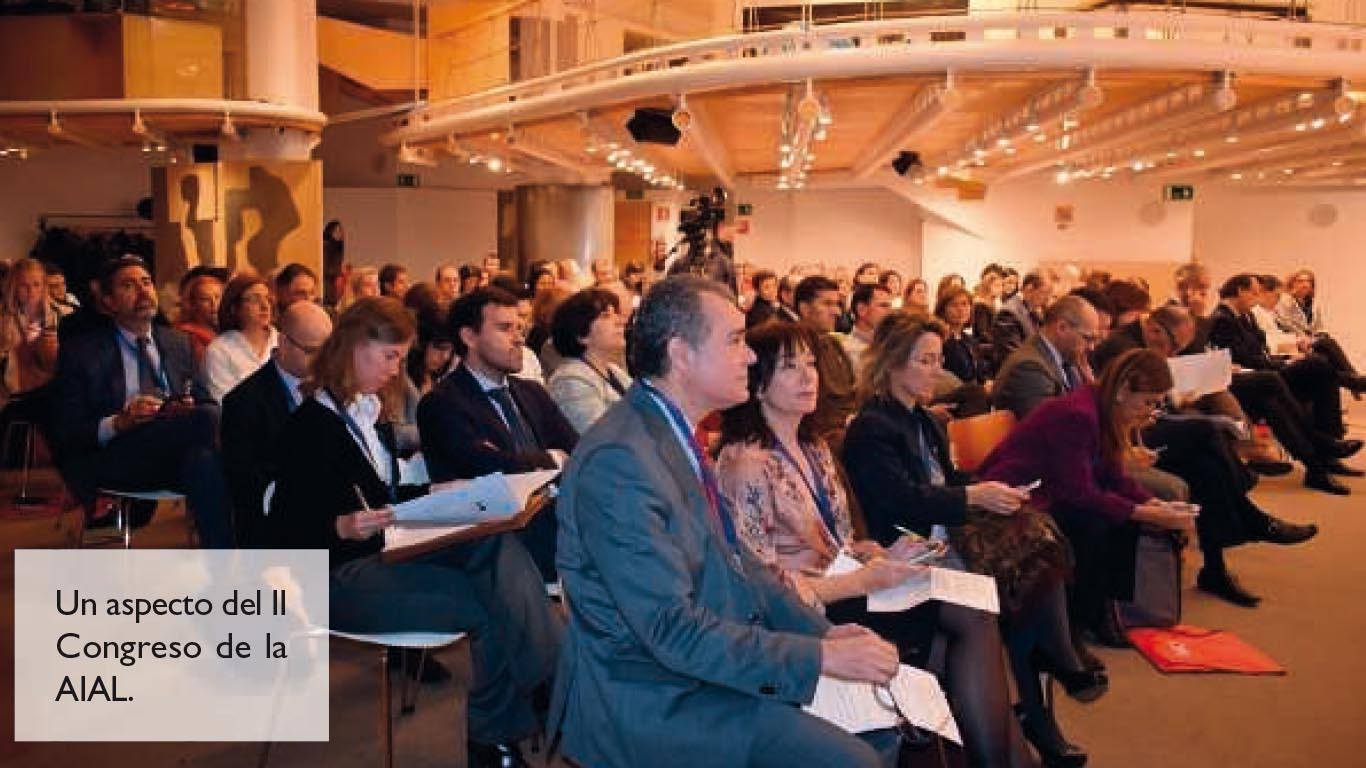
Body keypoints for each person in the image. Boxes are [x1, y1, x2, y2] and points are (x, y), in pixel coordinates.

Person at [550, 275, 902, 768]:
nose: (751, 357)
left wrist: (821, 636)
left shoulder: (671, 435)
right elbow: (670, 630)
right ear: (682, 354)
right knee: (857, 759)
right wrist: (817, 658)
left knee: (883, 729)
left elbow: (743, 566)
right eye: (735, 340)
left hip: (697, 666)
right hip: (656, 697)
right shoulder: (621, 461)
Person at [717, 320, 1036, 768]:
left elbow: (841, 541)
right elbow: (759, 588)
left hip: (849, 583)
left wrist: (878, 554)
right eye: (791, 368)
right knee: (967, 624)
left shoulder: (813, 446)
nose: (810, 377)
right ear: (758, 382)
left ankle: (997, 755)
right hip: (808, 612)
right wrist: (864, 576)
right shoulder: (747, 463)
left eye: (811, 364)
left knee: (972, 616)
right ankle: (1000, 756)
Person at [264, 297, 560, 768]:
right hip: (335, 576)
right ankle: (514, 720)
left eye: (401, 356)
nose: (397, 369)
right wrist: (339, 525)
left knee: (494, 540)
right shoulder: (309, 428)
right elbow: (280, 532)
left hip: (390, 552)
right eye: (390, 356)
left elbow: (380, 494)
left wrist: (436, 490)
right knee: (494, 603)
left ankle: (531, 704)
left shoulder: (367, 414)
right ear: (354, 349)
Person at [840, 312, 1090, 767]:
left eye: (938, 359)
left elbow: (948, 479)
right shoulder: (873, 428)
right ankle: (1044, 697)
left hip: (943, 542)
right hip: (907, 549)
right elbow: (900, 501)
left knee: (1039, 563)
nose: (937, 370)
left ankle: (1036, 708)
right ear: (894, 363)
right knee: (1010, 596)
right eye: (926, 360)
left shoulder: (925, 420)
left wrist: (992, 491)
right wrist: (975, 495)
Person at [1091, 306, 1317, 606]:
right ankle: (1252, 516)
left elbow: (1153, 401)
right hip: (1126, 432)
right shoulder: (1121, 348)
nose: (1172, 354)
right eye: (1172, 346)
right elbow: (1126, 408)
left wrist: (1179, 398)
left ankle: (1216, 569)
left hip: (1144, 422)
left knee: (1206, 465)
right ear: (1155, 330)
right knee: (1207, 432)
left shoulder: (1142, 344)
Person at [978, 350, 1202, 652]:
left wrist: (1156, 505)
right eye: (1148, 401)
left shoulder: (1101, 409)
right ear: (1123, 391)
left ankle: (1102, 610)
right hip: (1017, 496)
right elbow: (1078, 493)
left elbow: (1113, 477)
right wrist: (1146, 513)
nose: (1151, 412)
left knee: (1121, 515)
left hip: (1049, 490)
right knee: (1096, 521)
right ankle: (1087, 616)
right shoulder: (1078, 415)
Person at [49, 255, 232, 547]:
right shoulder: (82, 352)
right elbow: (67, 431)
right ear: (108, 302)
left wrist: (187, 408)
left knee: (204, 459)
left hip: (174, 452)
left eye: (146, 282)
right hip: (118, 455)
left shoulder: (177, 343)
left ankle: (226, 569)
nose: (143, 290)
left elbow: (206, 402)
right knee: (210, 423)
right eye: (128, 285)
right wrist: (119, 422)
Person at [416, 287, 578, 580]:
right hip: (498, 543)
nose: (518, 338)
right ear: (469, 337)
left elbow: (578, 453)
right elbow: (492, 470)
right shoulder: (443, 403)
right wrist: (552, 458)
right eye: (505, 328)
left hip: (559, 525)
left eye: (520, 328)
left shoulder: (532, 392)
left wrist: (535, 461)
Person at [1209, 274, 1363, 459]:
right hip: (1258, 374)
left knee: (1321, 368)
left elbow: (1260, 350)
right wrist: (1284, 361)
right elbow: (1246, 360)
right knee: (1318, 364)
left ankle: (1331, 441)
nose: (1257, 299)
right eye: (1254, 293)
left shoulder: (1244, 316)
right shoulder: (1223, 319)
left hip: (1266, 368)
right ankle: (1350, 386)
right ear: (1240, 291)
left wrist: (1285, 359)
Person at [221, 301, 332, 545]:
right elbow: (248, 487)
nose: (323, 361)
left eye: (328, 351)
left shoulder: (334, 389)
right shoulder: (242, 402)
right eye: (312, 351)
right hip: (277, 527)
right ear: (283, 344)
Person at [992, 296, 1099, 419]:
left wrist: (1090, 384)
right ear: (1062, 328)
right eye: (1087, 338)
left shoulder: (1068, 359)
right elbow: (1051, 428)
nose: (1091, 347)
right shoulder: (1029, 368)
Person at [546, 288, 631, 434]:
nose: (620, 321)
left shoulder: (614, 371)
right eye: (606, 316)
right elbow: (602, 437)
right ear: (582, 334)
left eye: (616, 314)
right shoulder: (570, 380)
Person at [1264, 270, 1361, 392]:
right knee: (1327, 346)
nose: (1305, 284)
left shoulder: (1313, 304)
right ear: (1292, 283)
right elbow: (1284, 324)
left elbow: (1319, 326)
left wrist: (1318, 335)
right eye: (1300, 281)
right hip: (1294, 340)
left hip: (1309, 340)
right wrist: (1304, 337)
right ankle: (1354, 381)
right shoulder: (1283, 301)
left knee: (1326, 350)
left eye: (1308, 281)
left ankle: (1352, 383)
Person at [794, 275, 857, 446]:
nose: (837, 312)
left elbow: (851, 391)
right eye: (827, 304)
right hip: (819, 437)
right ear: (805, 309)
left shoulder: (833, 343)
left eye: (837, 304)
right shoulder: (795, 348)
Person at [204, 274, 278, 403]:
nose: (265, 305)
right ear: (234, 307)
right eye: (255, 299)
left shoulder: (284, 342)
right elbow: (225, 401)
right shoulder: (220, 349)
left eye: (268, 299)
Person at [0, 258, 62, 404]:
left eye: (36, 284)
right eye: (24, 286)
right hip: (13, 396)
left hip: (55, 393)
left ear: (44, 286)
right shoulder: (3, 319)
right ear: (13, 287)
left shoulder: (63, 314)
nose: (31, 291)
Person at [992, 270, 1053, 368]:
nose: (1047, 299)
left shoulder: (1033, 312)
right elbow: (1012, 356)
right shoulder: (1009, 313)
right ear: (1029, 289)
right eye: (1044, 293)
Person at [935, 286, 990, 387]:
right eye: (954, 305)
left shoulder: (969, 340)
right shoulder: (939, 340)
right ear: (943, 310)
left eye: (965, 304)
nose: (961, 309)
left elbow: (980, 372)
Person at [840, 282, 893, 372]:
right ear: (862, 310)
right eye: (883, 306)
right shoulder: (847, 351)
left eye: (890, 306)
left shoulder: (892, 345)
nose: (890, 312)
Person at [173, 268, 224, 361]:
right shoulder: (188, 336)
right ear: (193, 304)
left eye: (217, 297)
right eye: (205, 299)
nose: (214, 303)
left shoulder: (222, 331)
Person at [971, 264, 1005, 344]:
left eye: (1001, 286)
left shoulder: (994, 304)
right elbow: (983, 333)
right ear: (987, 287)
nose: (1001, 289)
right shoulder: (981, 306)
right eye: (997, 286)